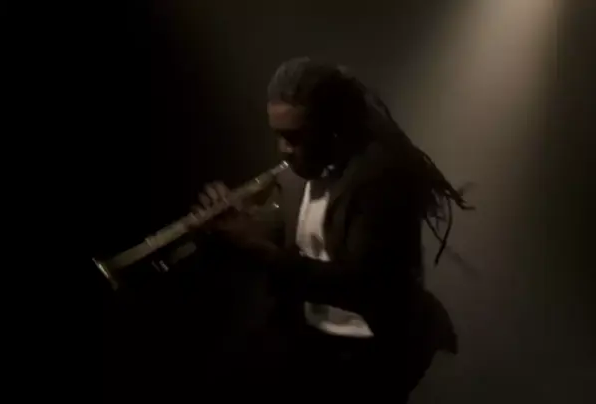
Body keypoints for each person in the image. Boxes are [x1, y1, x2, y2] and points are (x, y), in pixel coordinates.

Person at [195, 57, 470, 403]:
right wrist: (228, 223)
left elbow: (361, 286)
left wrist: (256, 248)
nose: (283, 150)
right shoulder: (296, 175)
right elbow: (281, 230)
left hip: (372, 353)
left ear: (332, 128)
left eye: (295, 137)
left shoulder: (379, 179)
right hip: (313, 337)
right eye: (278, 135)